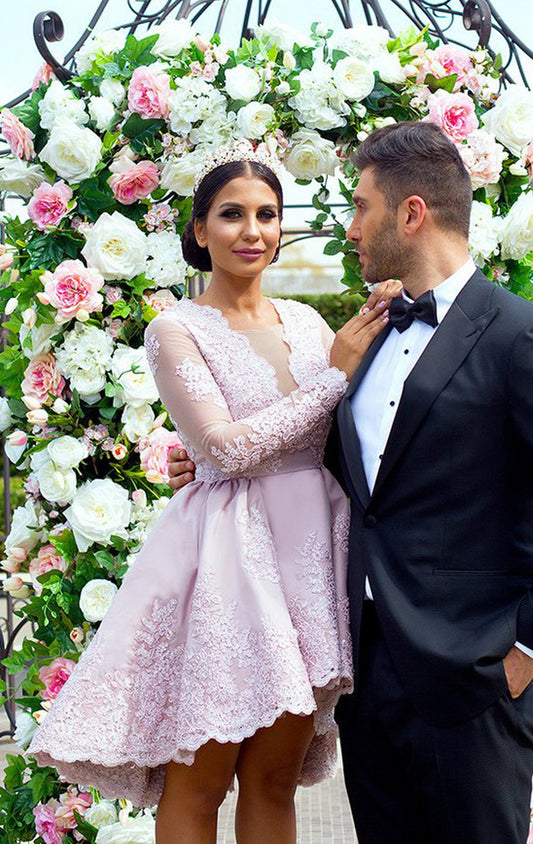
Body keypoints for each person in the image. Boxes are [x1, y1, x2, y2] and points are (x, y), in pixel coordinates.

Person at [168, 122, 533, 844]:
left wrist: (526, 649)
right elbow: (329, 463)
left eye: (361, 207)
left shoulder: (516, 333)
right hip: (365, 668)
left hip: (474, 677)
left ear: (411, 213)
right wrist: (198, 461)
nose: (349, 227)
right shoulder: (363, 338)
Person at [28, 139, 397, 844]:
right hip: (229, 562)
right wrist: (330, 380)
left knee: (274, 781)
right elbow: (224, 448)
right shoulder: (175, 329)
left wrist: (334, 375)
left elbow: (337, 434)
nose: (252, 231)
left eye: (267, 214)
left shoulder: (310, 324)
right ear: (199, 229)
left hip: (312, 559)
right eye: (232, 214)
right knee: (199, 784)